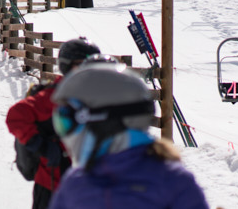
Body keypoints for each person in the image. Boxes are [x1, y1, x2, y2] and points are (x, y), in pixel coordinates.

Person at [49, 61, 209, 209]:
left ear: (104, 122)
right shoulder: (75, 183)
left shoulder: (173, 183)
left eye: (66, 120)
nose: (62, 134)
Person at [6, 37, 100, 209]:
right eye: (82, 65)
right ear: (67, 66)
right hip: (53, 188)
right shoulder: (54, 97)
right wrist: (40, 145)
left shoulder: (100, 98)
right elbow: (16, 116)